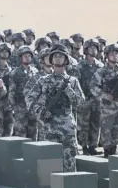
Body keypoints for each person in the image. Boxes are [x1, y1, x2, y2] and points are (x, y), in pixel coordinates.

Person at [25, 44, 84, 172]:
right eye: (55, 56)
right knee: (50, 159)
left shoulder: (72, 81)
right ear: (51, 59)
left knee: (70, 159)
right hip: (49, 125)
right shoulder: (43, 80)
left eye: (61, 56)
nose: (58, 59)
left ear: (66, 59)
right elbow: (29, 99)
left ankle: (70, 187)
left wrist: (69, 91)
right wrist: (40, 111)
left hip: (67, 124)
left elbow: (80, 102)